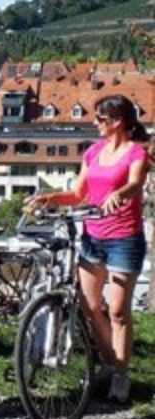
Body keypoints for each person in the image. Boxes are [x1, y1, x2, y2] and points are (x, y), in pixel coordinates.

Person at [27, 94, 149, 403]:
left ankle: (121, 375)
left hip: (124, 238)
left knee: (119, 311)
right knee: (91, 308)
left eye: (100, 119)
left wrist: (120, 193)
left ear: (118, 122)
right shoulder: (93, 152)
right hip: (93, 237)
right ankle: (111, 364)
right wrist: (50, 198)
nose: (95, 123)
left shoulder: (135, 153)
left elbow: (136, 183)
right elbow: (79, 193)